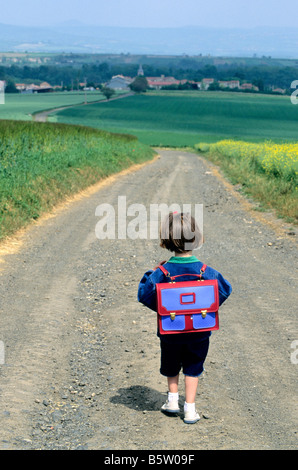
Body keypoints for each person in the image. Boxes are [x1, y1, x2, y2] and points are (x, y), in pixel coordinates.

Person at [137, 211, 232, 424]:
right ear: (196, 238)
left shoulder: (162, 271)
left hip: (171, 329)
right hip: (199, 330)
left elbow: (144, 294)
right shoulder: (206, 271)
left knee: (171, 364)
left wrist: (161, 305)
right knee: (193, 367)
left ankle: (171, 401)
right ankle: (189, 409)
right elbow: (225, 289)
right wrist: (206, 308)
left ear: (166, 239)